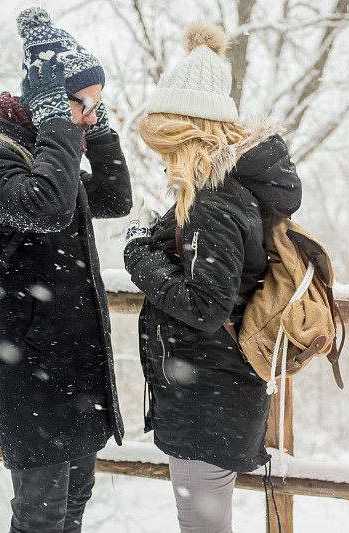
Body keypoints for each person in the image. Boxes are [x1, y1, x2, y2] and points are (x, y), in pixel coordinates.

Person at [0, 7, 130, 532]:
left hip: (73, 364)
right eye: (84, 105)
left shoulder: (48, 155)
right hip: (31, 370)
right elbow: (48, 205)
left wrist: (92, 128)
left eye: (96, 107)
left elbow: (115, 197)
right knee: (41, 515)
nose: (90, 116)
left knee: (75, 500)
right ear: (48, 103)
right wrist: (61, 120)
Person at [123, 23, 303, 533]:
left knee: (202, 526)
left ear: (187, 135)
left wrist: (138, 254)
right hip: (213, 393)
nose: (162, 159)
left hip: (207, 399)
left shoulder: (214, 203)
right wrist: (157, 235)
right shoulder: (217, 195)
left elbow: (205, 305)